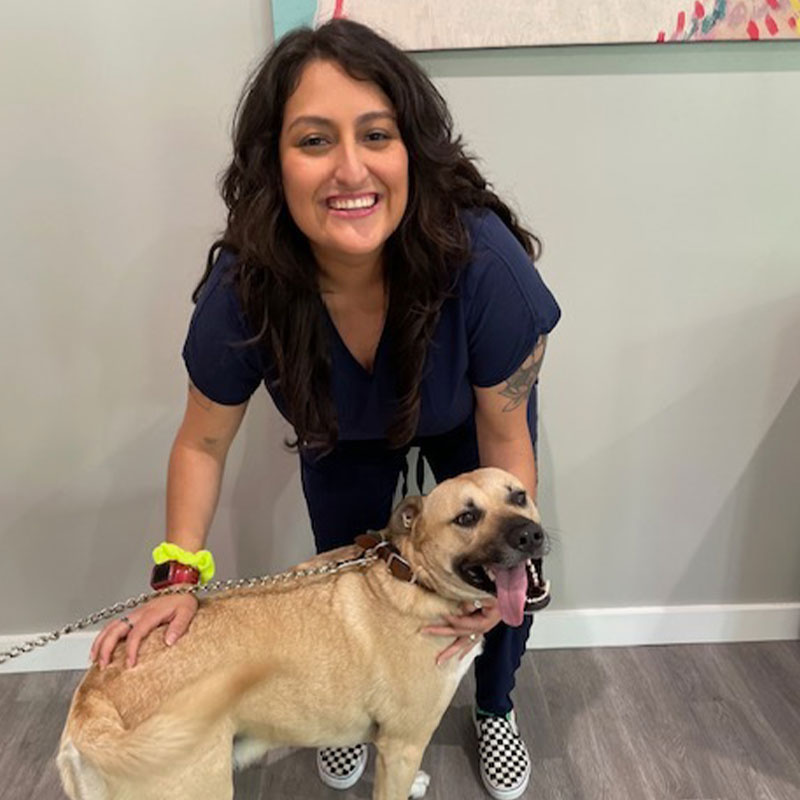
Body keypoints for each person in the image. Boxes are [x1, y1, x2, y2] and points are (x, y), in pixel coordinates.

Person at [89, 18, 560, 800]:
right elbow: (202, 443)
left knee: (504, 559)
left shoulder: (485, 268)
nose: (351, 169)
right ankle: (348, 713)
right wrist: (176, 578)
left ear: (410, 148)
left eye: (375, 134)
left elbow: (505, 438)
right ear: (275, 163)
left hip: (464, 423)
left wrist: (500, 586)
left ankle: (496, 706)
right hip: (341, 434)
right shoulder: (244, 292)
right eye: (313, 141)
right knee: (347, 579)